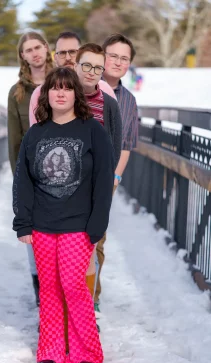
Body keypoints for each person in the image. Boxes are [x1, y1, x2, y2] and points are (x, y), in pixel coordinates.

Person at [12, 67, 114, 363]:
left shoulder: (92, 130)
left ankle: (87, 352)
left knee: (72, 284)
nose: (60, 93)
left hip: (78, 224)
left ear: (75, 94)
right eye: (54, 88)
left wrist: (98, 224)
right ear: (46, 95)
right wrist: (23, 223)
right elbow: (23, 181)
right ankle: (50, 351)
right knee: (50, 288)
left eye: (66, 88)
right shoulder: (36, 132)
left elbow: (103, 179)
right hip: (42, 224)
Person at [29, 43, 123, 319]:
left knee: (90, 249)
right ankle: (58, 318)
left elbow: (114, 146)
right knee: (56, 257)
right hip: (55, 190)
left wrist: (106, 181)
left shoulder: (108, 101)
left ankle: (86, 313)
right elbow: (38, 140)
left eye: (98, 67)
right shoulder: (57, 94)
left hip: (91, 191)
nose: (92, 72)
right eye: (87, 66)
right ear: (76, 65)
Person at [7, 31, 53, 306]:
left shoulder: (63, 81)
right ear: (22, 56)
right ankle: (43, 299)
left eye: (38, 47)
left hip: (64, 171)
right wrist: (20, 185)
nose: (35, 53)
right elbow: (14, 141)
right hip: (33, 176)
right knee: (35, 238)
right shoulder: (18, 92)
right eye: (28, 50)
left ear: (46, 48)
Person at [93, 34, 139, 308]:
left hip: (106, 178)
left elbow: (127, 144)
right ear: (102, 55)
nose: (118, 62)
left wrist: (115, 178)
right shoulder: (83, 87)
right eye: (113, 55)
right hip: (73, 176)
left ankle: (91, 300)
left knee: (97, 239)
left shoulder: (128, 100)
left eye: (125, 58)